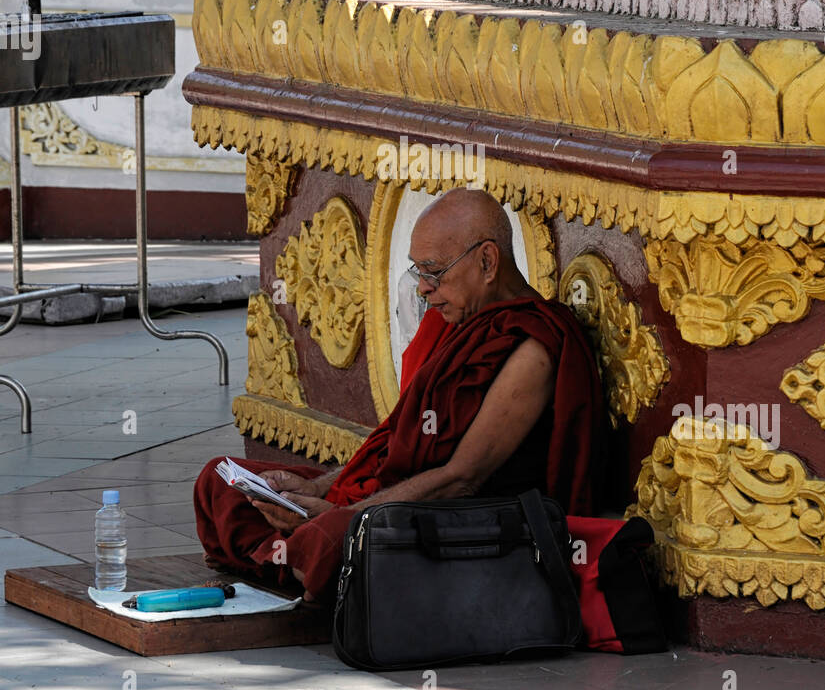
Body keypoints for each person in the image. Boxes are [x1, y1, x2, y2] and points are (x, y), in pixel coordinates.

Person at [194, 187, 605, 604]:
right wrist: (318, 490)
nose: (424, 289)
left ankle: (305, 559)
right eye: (419, 273)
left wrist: (345, 515)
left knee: (325, 540)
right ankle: (302, 561)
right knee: (219, 479)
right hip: (391, 496)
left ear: (487, 261)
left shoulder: (531, 348)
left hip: (452, 518)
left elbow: (461, 479)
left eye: (434, 272)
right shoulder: (455, 322)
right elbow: (394, 444)